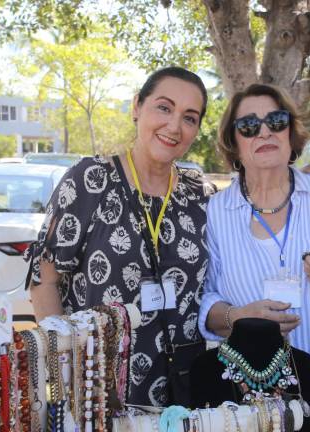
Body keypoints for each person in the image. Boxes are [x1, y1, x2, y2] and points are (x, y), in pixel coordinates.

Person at [25, 66, 213, 407]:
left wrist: (305, 176)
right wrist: (67, 372)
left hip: (185, 392)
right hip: (99, 389)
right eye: (164, 107)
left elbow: (260, 200)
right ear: (137, 107)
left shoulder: (199, 194)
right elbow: (44, 281)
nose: (174, 126)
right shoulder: (91, 180)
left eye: (190, 117)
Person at [198, 83, 310, 424]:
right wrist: (239, 316)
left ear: (290, 131)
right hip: (253, 398)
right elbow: (206, 299)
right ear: (234, 143)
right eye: (249, 126)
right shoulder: (215, 211)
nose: (264, 132)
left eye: (276, 120)